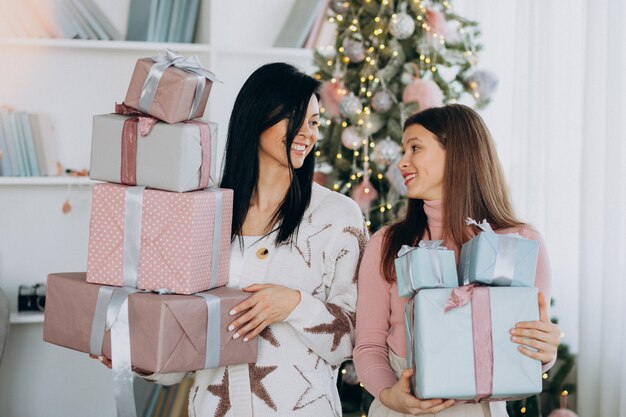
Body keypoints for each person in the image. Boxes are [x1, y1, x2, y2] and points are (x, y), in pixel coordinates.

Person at [142, 62, 368, 417]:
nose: (307, 133)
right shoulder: (205, 211)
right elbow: (183, 335)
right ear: (258, 115)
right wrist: (141, 358)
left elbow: (355, 337)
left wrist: (293, 304)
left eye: (314, 122)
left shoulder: (338, 216)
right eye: (296, 118)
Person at [353, 104, 561, 417]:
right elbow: (368, 345)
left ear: (458, 155)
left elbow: (530, 346)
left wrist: (545, 352)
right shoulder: (387, 245)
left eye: (415, 148)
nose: (402, 163)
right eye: (403, 150)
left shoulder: (519, 243)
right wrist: (390, 396)